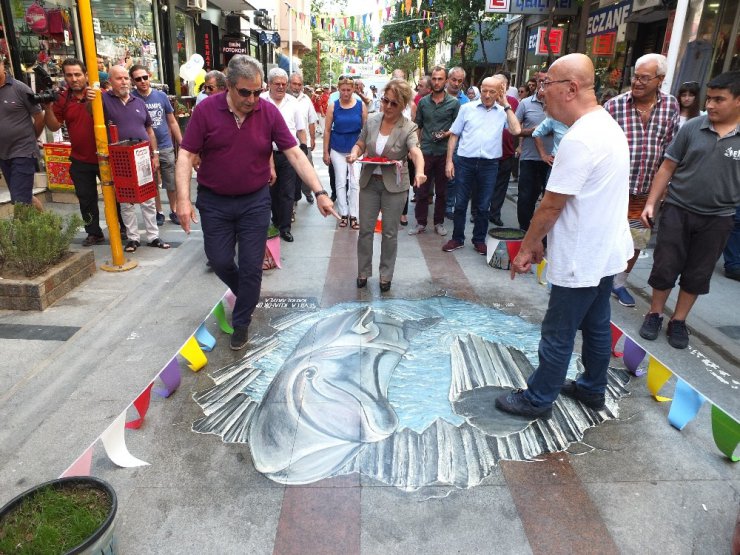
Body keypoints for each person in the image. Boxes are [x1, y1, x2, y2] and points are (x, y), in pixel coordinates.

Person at [495, 53, 633, 419]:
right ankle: (592, 387)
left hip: (582, 254)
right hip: (604, 250)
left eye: (547, 85)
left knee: (558, 331)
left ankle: (539, 398)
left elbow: (552, 205)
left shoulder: (581, 138)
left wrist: (526, 247)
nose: (542, 94)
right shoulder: (606, 125)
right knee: (596, 323)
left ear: (571, 88)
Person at [174, 55, 337, 350]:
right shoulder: (207, 110)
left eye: (257, 91)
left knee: (251, 267)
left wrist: (320, 191)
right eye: (245, 92)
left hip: (254, 201)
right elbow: (185, 154)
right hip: (214, 201)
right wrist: (183, 200)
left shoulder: (268, 112)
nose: (252, 99)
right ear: (229, 87)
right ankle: (247, 293)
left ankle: (242, 321)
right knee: (221, 260)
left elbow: (295, 152)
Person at [638, 71, 740, 349]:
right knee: (665, 265)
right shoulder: (692, 127)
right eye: (709, 99)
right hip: (678, 210)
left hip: (719, 218)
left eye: (719, 99)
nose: (711, 105)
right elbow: (668, 166)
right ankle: (655, 314)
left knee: (698, 273)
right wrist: (651, 202)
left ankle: (679, 321)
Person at [605, 53, 679, 308]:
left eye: (644, 78)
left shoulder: (671, 106)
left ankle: (618, 283)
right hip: (613, 189)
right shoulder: (614, 106)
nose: (637, 82)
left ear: (660, 79)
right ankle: (598, 282)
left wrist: (662, 191)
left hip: (646, 192)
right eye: (635, 76)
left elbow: (671, 149)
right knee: (605, 235)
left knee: (635, 240)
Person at [347, 79, 426, 292]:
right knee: (365, 231)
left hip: (395, 186)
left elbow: (415, 151)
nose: (388, 107)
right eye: (385, 101)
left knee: (390, 233)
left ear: (403, 105)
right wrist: (355, 153)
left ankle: (385, 276)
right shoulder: (372, 120)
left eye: (394, 104)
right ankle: (363, 272)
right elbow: (361, 142)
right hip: (369, 182)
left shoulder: (408, 127)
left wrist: (419, 171)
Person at [442, 75, 521, 255]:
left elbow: (516, 130)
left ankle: (479, 240)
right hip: (464, 162)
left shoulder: (503, 112)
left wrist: (506, 103)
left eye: (492, 91)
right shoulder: (466, 109)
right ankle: (457, 238)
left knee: (483, 205)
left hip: (489, 164)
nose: (486, 95)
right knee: (460, 203)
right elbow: (454, 134)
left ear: (499, 92)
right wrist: (449, 162)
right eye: (484, 90)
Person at [102, 65, 169, 252]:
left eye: (126, 78)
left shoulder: (138, 101)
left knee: (148, 196)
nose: (124, 81)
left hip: (142, 155)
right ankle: (133, 238)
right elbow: (90, 112)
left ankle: (153, 235)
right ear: (110, 81)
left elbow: (149, 130)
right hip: (120, 157)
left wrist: (154, 154)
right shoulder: (103, 101)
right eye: (119, 78)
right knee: (126, 199)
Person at [43, 58, 107, 245]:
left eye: (77, 74)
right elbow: (54, 127)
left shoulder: (99, 94)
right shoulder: (62, 98)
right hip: (80, 159)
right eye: (69, 75)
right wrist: (47, 108)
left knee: (115, 196)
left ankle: (123, 228)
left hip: (104, 156)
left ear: (86, 75)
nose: (74, 79)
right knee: (86, 199)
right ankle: (94, 232)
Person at [130, 64, 183, 226]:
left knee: (171, 181)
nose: (142, 81)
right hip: (143, 148)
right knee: (151, 182)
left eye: (145, 77)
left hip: (165, 145)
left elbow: (172, 121)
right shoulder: (132, 98)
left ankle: (173, 210)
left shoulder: (161, 96)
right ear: (133, 81)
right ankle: (158, 212)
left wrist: (183, 144)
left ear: (149, 77)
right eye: (138, 79)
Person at [411, 66, 460, 237]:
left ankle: (439, 222)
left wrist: (445, 134)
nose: (437, 82)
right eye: (434, 78)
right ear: (431, 80)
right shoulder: (423, 102)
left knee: (442, 191)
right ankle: (420, 222)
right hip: (425, 152)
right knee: (421, 190)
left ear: (446, 81)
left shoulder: (454, 104)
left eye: (440, 79)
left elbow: (457, 129)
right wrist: (415, 147)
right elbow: (417, 126)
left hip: (444, 153)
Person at [260, 68, 306, 242]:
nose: (280, 87)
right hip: (265, 154)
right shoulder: (260, 101)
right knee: (270, 191)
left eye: (283, 84)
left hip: (288, 154)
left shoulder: (293, 103)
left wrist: (304, 147)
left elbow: (300, 129)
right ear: (269, 84)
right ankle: (275, 221)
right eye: (276, 84)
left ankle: (285, 227)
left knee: (287, 192)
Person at [323, 76, 367, 230]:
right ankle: (343, 213)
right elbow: (327, 130)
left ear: (353, 90)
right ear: (339, 90)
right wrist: (325, 152)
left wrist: (364, 150)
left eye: (349, 90)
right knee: (340, 182)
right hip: (337, 147)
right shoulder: (333, 106)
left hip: (356, 148)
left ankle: (354, 215)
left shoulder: (361, 106)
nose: (346, 93)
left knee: (355, 183)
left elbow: (365, 130)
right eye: (343, 90)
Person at [0, 56, 44, 206]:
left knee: (20, 200)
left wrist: (32, 138)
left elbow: (39, 117)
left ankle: (21, 230)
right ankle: (50, 225)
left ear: (2, 64)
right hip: (3, 154)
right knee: (22, 195)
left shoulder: (20, 88)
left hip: (23, 152)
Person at [515, 70, 552, 232]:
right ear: (536, 82)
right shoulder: (525, 104)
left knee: (549, 201)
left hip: (554, 160)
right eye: (541, 81)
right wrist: (534, 131)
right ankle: (524, 230)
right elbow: (514, 129)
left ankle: (543, 234)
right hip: (530, 158)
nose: (543, 84)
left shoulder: (559, 104)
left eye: (547, 81)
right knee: (525, 198)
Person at [488, 72, 521, 227]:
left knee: (501, 186)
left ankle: (495, 213)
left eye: (501, 85)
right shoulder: (486, 100)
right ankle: (478, 212)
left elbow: (518, 125)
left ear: (506, 86)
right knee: (484, 184)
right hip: (488, 153)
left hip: (506, 151)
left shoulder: (514, 102)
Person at [289, 71, 319, 205]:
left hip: (304, 142)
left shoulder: (306, 100)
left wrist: (312, 139)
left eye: (299, 84)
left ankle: (308, 193)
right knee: (290, 173)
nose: (296, 87)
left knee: (307, 169)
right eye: (294, 84)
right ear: (290, 84)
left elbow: (311, 120)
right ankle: (292, 199)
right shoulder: (284, 99)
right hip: (288, 144)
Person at [444, 66, 470, 219]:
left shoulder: (466, 102)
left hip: (456, 147)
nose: (456, 83)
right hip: (436, 145)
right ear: (448, 79)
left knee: (452, 179)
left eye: (460, 81)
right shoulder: (438, 96)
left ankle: (448, 207)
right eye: (453, 80)